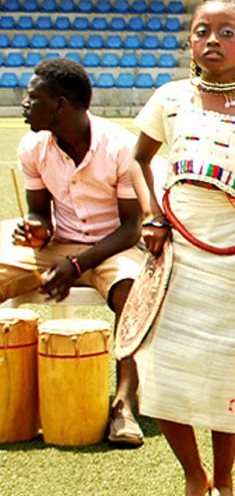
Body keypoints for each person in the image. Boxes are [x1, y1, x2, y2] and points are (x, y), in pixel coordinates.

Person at [129, 0, 235, 494]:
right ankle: (194, 476)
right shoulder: (168, 99)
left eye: (226, 33)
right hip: (176, 259)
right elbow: (137, 160)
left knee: (231, 379)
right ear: (190, 41)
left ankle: (224, 479)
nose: (212, 40)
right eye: (202, 30)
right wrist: (153, 215)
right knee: (162, 372)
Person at [0, 57, 146, 447]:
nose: (24, 105)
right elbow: (38, 212)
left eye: (33, 99)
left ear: (61, 105)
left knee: (130, 292)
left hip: (114, 247)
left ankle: (124, 406)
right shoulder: (33, 146)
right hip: (60, 246)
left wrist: (77, 264)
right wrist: (35, 229)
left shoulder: (120, 147)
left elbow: (131, 228)